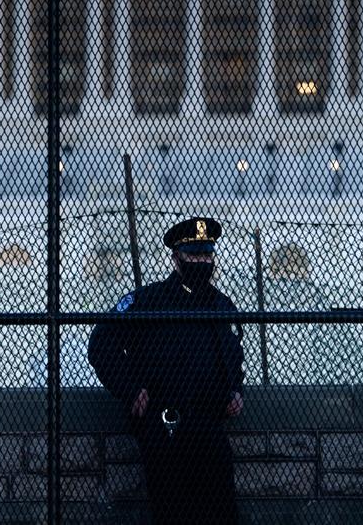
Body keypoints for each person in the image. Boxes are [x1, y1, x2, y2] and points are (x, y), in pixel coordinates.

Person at [88, 217, 244, 525]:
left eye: (207, 255)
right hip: (164, 423)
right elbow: (101, 343)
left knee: (222, 509)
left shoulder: (220, 304)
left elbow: (232, 354)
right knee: (172, 510)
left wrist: (236, 390)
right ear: (176, 259)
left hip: (208, 421)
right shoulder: (148, 301)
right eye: (194, 255)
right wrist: (130, 388)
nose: (202, 262)